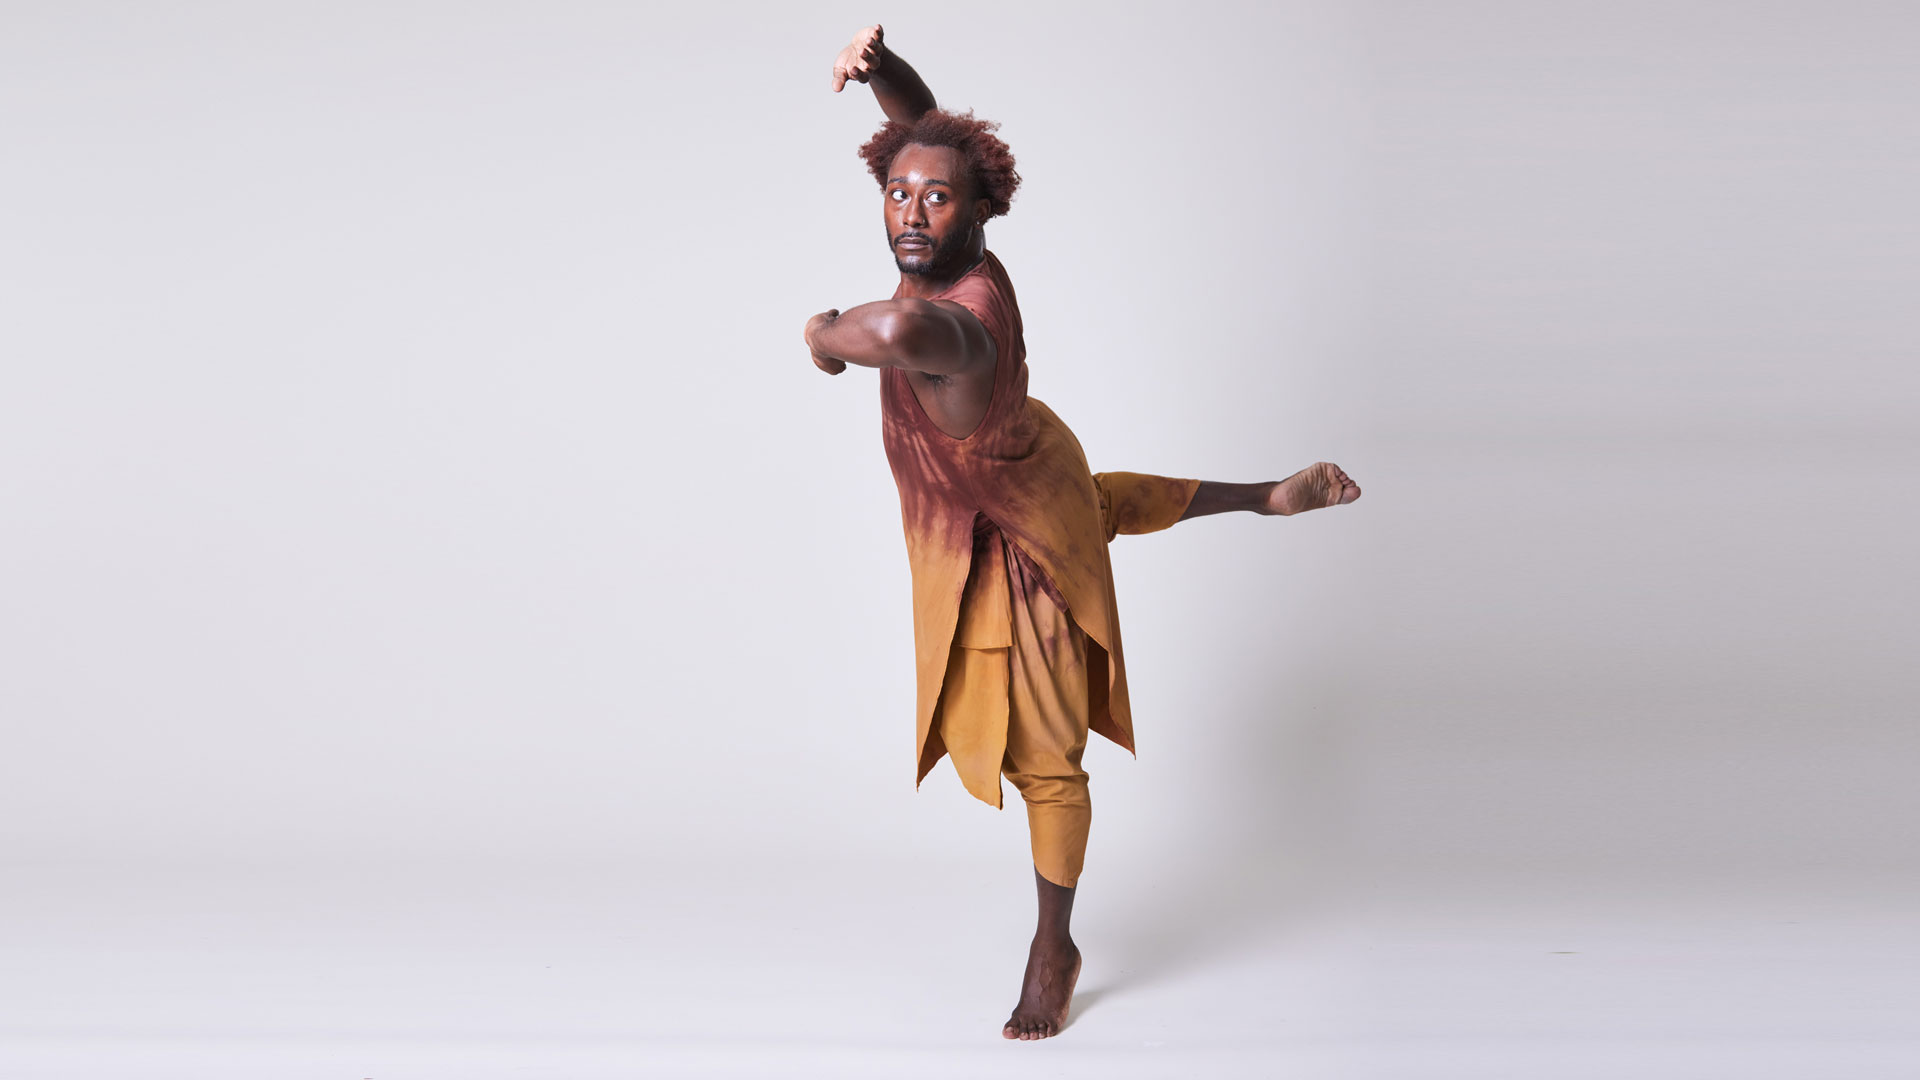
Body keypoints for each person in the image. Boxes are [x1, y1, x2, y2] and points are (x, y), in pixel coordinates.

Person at [802, 24, 1362, 1041]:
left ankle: (1053, 942)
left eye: (935, 198)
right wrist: (885, 77)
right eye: (898, 194)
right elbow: (928, 134)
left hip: (1014, 539)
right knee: (1096, 504)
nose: (912, 214)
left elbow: (883, 334)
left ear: (983, 212)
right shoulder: (957, 243)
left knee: (1047, 761)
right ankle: (1266, 496)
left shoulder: (954, 324)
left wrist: (820, 337)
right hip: (1026, 463)